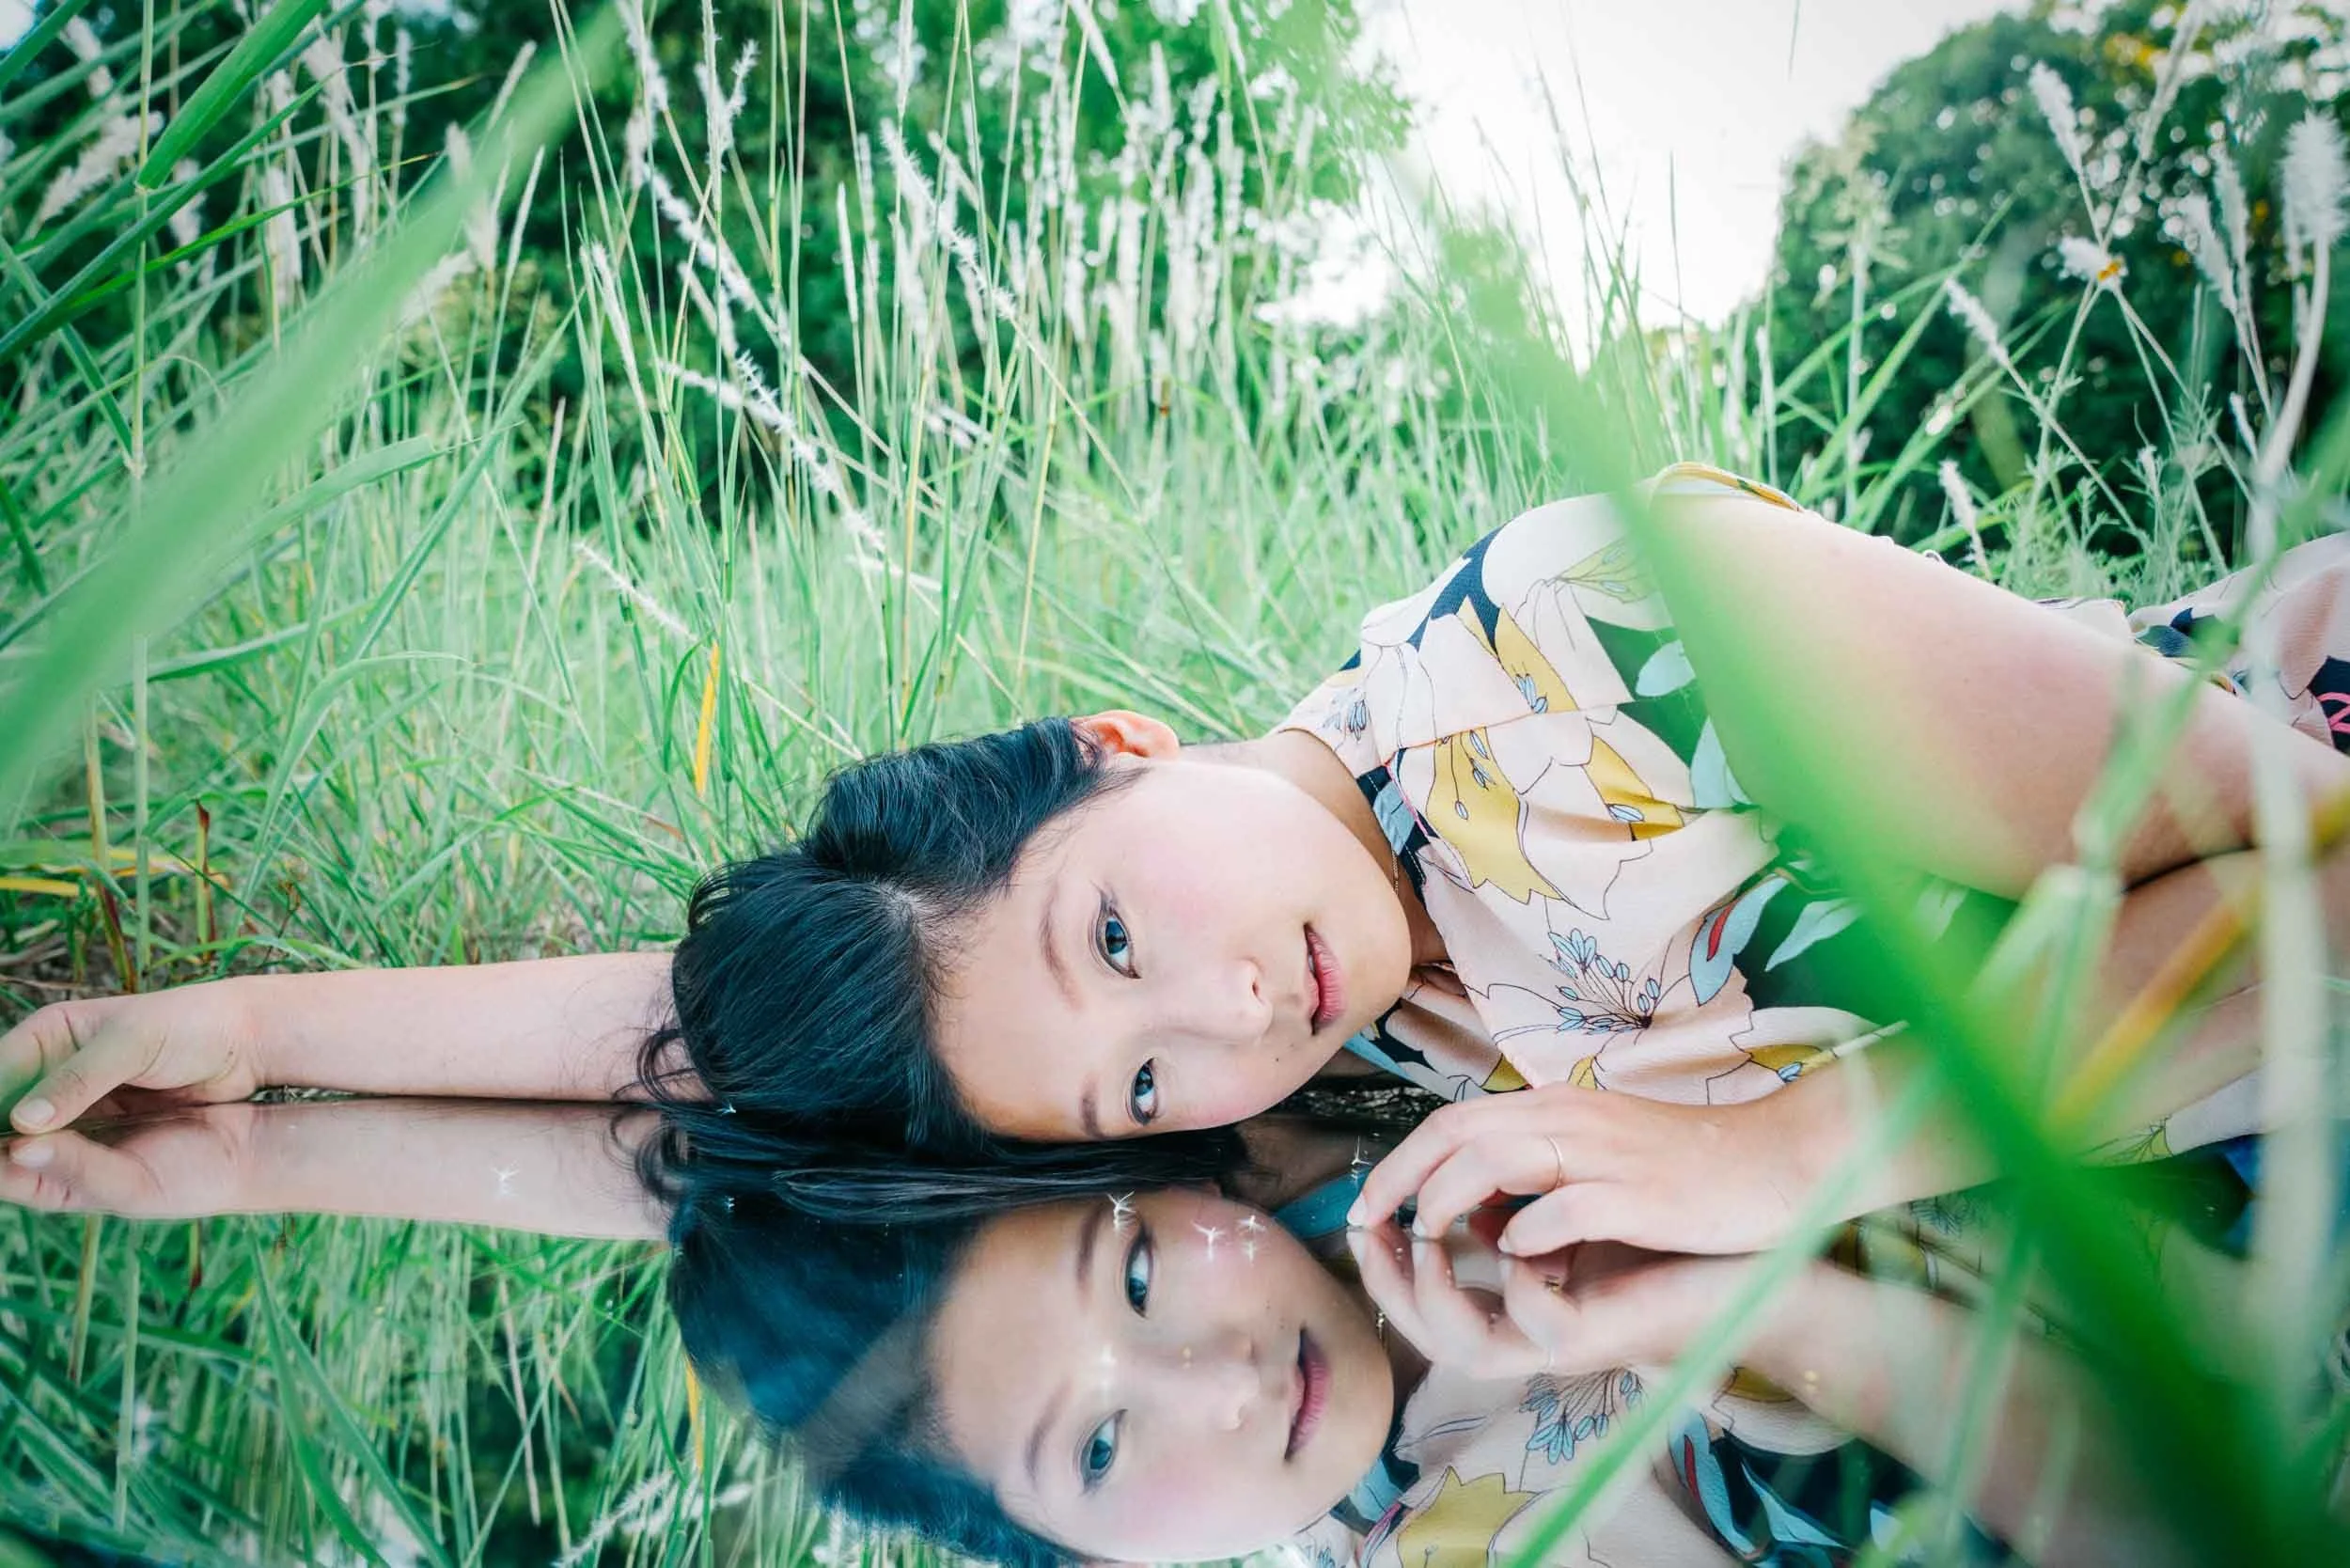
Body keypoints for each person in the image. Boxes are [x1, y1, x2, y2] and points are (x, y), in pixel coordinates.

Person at [8, 465, 2349, 1257]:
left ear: (1120, 750)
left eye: (1113, 930)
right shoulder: (1380, 1011)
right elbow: (690, 1038)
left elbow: (2315, 870)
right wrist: (238, 1040)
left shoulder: (1570, 627)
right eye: (1140, 1088)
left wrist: (1810, 1154)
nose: (1220, 1024)